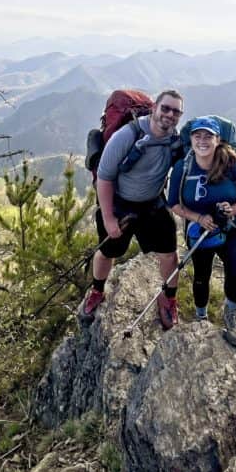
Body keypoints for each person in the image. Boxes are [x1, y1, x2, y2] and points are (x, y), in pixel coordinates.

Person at [78, 89, 185, 329]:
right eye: (165, 108)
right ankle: (97, 291)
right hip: (120, 204)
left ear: (180, 116)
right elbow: (104, 178)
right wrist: (108, 218)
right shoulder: (127, 135)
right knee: (107, 251)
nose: (169, 115)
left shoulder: (174, 139)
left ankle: (168, 298)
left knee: (169, 253)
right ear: (155, 107)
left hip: (153, 203)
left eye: (175, 111)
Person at [167, 116, 236, 347]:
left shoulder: (233, 164)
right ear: (191, 139)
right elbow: (174, 204)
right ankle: (201, 316)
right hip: (199, 231)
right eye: (198, 136)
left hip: (231, 227)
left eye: (208, 136)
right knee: (201, 276)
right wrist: (199, 217)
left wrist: (232, 209)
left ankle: (231, 315)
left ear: (218, 140)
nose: (203, 141)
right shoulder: (183, 167)